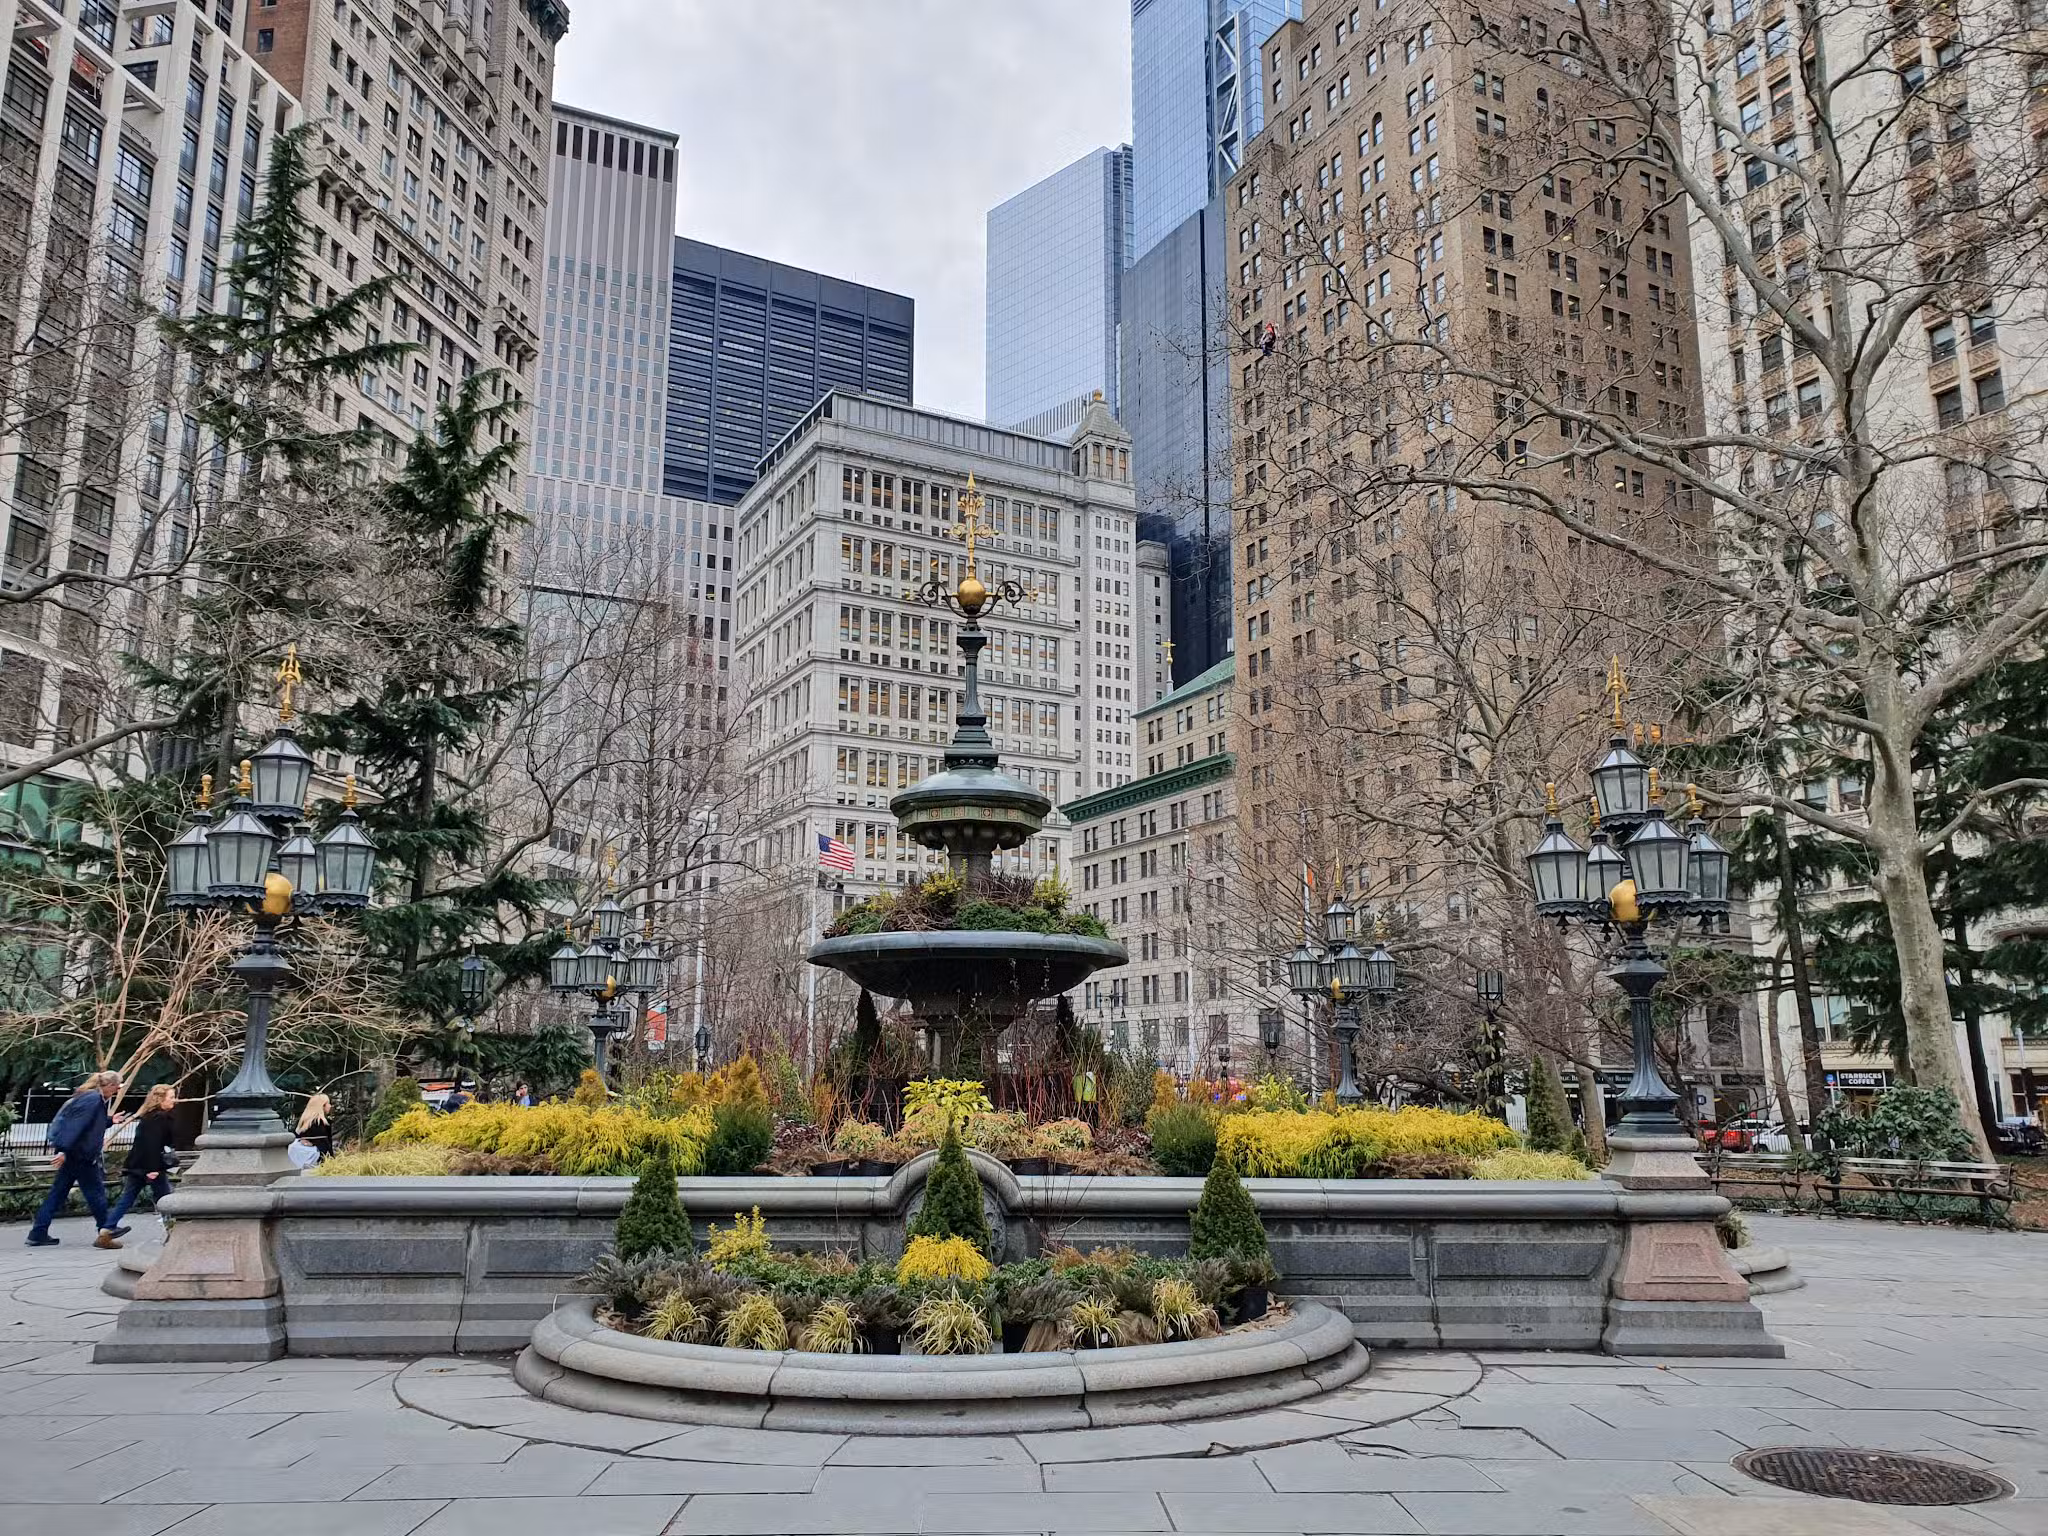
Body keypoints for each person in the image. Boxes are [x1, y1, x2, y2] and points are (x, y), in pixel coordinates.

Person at [26, 1072, 125, 1248]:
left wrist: (110, 1121)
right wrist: (63, 1150)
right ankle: (107, 1229)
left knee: (57, 1194)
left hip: (75, 1153)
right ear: (109, 1085)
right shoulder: (93, 1099)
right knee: (96, 1193)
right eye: (118, 1086)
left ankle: (38, 1232)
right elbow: (75, 1126)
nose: (118, 1090)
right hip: (81, 1155)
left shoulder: (90, 1098)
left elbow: (89, 1124)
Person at [103, 1084, 176, 1243]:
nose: (173, 1100)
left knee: (128, 1197)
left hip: (137, 1165)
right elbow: (153, 1144)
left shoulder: (148, 1116)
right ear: (161, 1100)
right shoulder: (160, 1118)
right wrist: (153, 1168)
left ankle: (107, 1228)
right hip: (151, 1166)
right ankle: (173, 1232)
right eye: (170, 1097)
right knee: (165, 1199)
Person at [297, 1092, 334, 1161]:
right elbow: (326, 1145)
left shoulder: (304, 1122)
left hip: (303, 1159)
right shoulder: (322, 1123)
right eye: (328, 1103)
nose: (330, 1106)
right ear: (322, 1106)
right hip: (318, 1160)